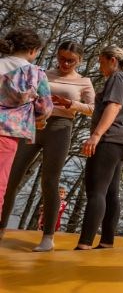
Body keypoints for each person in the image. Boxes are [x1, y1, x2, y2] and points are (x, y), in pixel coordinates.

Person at [1, 40, 95, 252]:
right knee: (12, 177)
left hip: (61, 128)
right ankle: (1, 228)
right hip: (34, 125)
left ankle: (48, 237)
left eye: (70, 60)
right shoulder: (43, 73)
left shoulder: (84, 82)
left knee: (50, 180)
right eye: (61, 58)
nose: (65, 63)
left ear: (79, 61)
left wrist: (71, 104)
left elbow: (92, 109)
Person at [74, 45, 123, 250]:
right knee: (111, 192)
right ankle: (106, 241)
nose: (100, 67)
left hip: (110, 139)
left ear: (112, 60)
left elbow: (114, 107)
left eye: (101, 62)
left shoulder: (118, 78)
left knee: (96, 191)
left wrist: (95, 135)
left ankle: (84, 243)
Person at [0, 28, 53, 229]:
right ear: (32, 50)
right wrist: (37, 116)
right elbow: (46, 108)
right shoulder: (36, 74)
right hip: (6, 134)